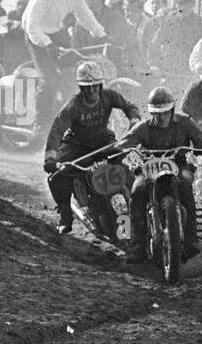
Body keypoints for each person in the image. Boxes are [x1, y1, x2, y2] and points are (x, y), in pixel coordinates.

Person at [104, 87, 202, 264]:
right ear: (151, 112)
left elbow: (201, 138)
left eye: (165, 113)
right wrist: (117, 153)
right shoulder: (143, 127)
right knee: (137, 191)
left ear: (172, 110)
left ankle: (191, 240)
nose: (161, 117)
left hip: (179, 165)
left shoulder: (185, 122)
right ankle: (137, 246)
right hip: (148, 167)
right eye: (157, 113)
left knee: (185, 185)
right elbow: (127, 141)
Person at [42, 60, 141, 234]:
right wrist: (50, 158)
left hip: (102, 141)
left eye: (96, 86)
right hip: (76, 145)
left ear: (101, 85)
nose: (92, 90)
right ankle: (66, 215)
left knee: (128, 173)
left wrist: (134, 119)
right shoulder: (73, 105)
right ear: (81, 88)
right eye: (88, 87)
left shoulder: (110, 95)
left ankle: (140, 216)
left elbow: (129, 106)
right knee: (56, 176)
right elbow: (57, 130)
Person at [23, 0, 107, 119]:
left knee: (75, 72)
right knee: (50, 80)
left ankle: (68, 113)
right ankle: (41, 122)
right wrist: (47, 44)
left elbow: (85, 16)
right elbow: (31, 26)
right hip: (35, 35)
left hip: (55, 32)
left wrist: (101, 33)